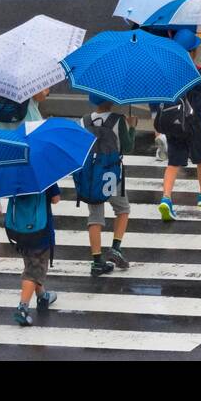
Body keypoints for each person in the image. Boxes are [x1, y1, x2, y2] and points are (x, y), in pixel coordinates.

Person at [154, 33, 201, 220]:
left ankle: (166, 198)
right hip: (196, 124)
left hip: (174, 122)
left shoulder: (167, 72)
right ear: (194, 52)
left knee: (173, 163)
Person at [80, 93, 133, 274]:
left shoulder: (84, 120)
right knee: (123, 209)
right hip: (111, 174)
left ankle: (97, 261)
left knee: (95, 216)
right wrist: (131, 128)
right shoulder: (118, 120)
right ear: (111, 100)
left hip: (90, 176)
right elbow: (127, 147)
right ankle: (116, 247)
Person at [7, 180, 60, 325]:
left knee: (32, 264)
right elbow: (55, 199)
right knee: (33, 271)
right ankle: (22, 308)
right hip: (40, 232)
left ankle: (43, 296)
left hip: (20, 230)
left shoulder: (14, 175)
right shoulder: (44, 175)